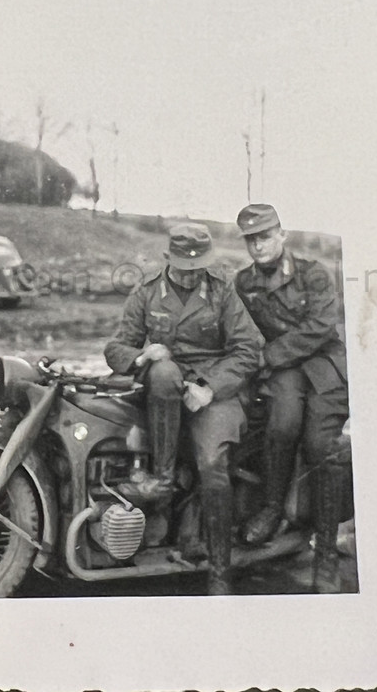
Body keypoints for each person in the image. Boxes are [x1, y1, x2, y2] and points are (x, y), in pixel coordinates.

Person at [104, 222, 262, 595]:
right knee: (162, 371)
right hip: (163, 394)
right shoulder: (145, 291)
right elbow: (115, 348)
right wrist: (141, 354)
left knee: (211, 463)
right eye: (184, 268)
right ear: (167, 260)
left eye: (198, 268)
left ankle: (220, 570)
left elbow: (248, 349)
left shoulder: (223, 292)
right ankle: (161, 477)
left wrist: (209, 388)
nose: (191, 276)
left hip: (213, 391)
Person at [235, 203, 349, 594]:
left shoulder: (313, 273)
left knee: (322, 445)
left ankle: (327, 553)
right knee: (281, 426)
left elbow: (321, 326)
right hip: (285, 373)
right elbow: (242, 330)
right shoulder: (244, 282)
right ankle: (270, 508)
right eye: (250, 240)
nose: (258, 246)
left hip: (323, 366)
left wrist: (270, 355)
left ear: (281, 235)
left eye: (264, 236)